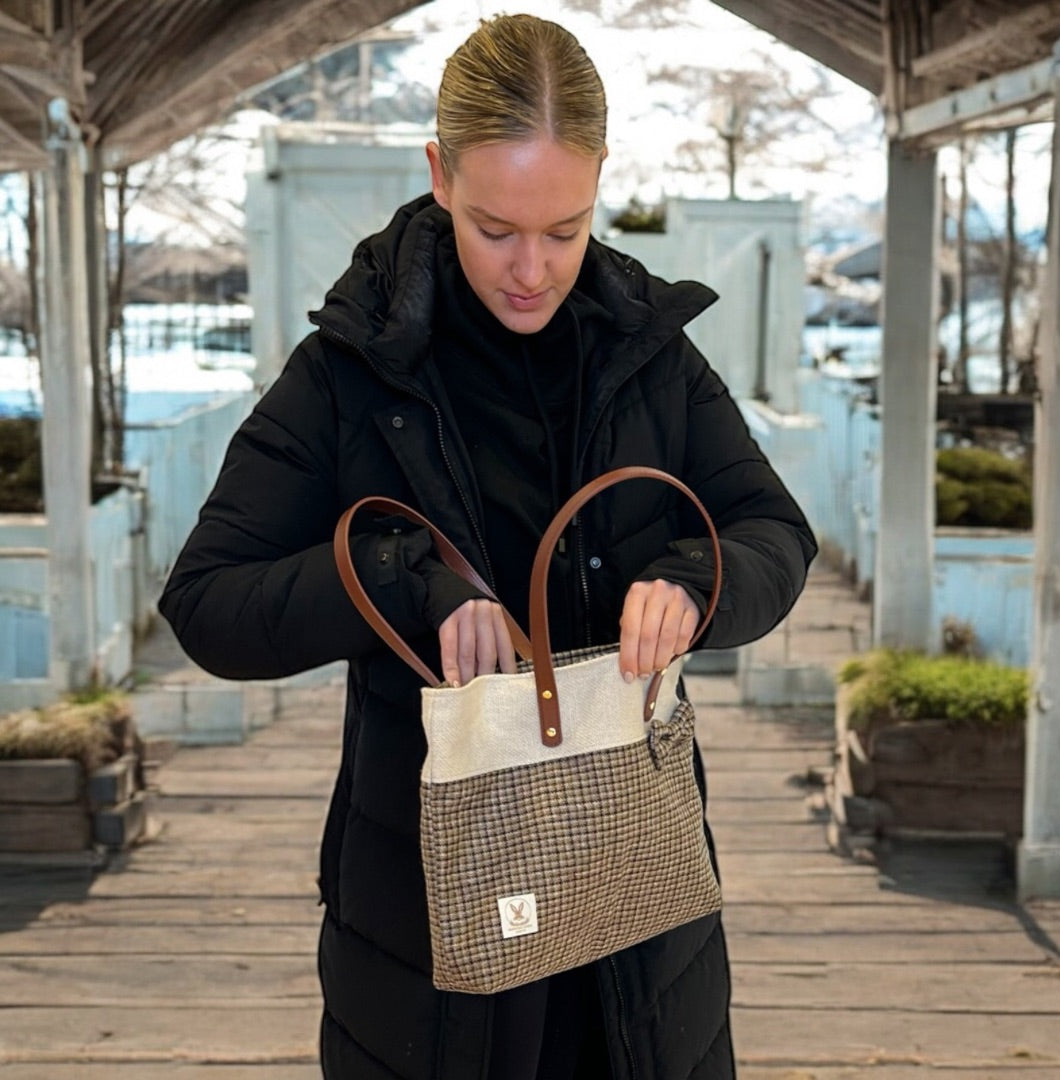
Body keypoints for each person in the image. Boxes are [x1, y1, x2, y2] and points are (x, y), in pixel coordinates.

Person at [159, 13, 816, 1079]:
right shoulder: (347, 372)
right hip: (426, 923)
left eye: (565, 228)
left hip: (636, 910)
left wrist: (697, 581)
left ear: (600, 180)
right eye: (494, 226)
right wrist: (400, 583)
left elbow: (775, 531)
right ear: (437, 173)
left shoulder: (651, 353)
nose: (530, 268)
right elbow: (206, 604)